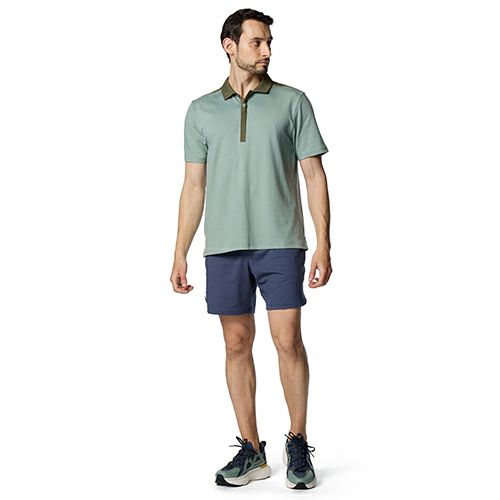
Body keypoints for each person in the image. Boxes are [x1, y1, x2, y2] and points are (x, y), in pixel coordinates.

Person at [170, 8, 332, 490]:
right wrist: (179, 251)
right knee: (236, 343)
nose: (266, 51)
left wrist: (324, 243)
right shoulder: (201, 110)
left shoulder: (292, 102)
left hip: (281, 241)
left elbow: (314, 175)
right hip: (223, 246)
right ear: (230, 46)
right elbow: (193, 186)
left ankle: (297, 441)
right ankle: (252, 451)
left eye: (268, 43)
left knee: (287, 340)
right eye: (257, 42)